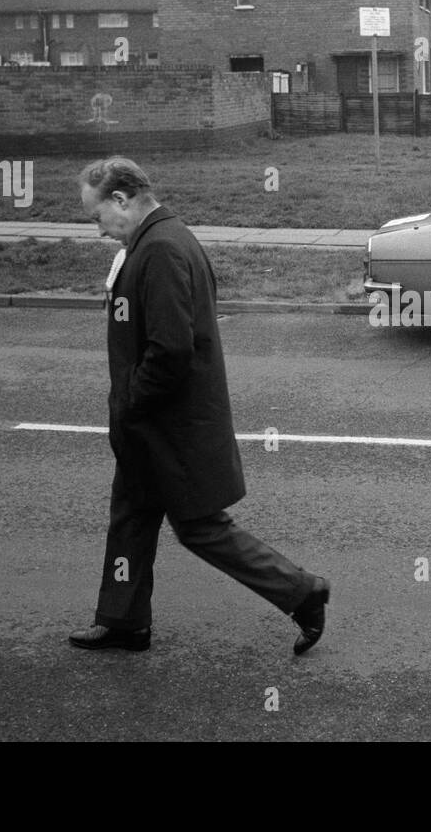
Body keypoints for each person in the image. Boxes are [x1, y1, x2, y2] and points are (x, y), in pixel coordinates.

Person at [69, 157, 330, 655]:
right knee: (131, 515)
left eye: (96, 216)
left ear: (121, 201)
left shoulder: (162, 248)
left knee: (201, 530)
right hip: (153, 426)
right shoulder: (154, 240)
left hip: (169, 426)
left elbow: (170, 350)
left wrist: (130, 402)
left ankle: (303, 591)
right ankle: (123, 620)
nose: (97, 229)